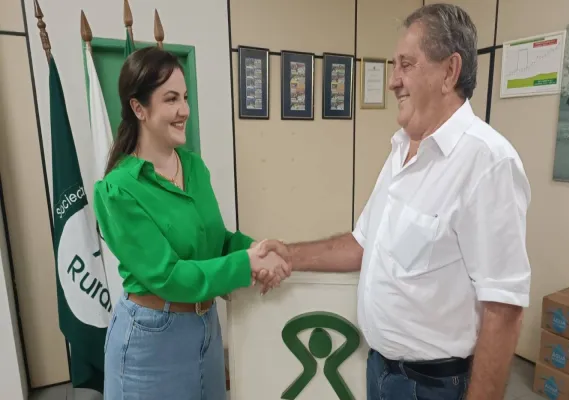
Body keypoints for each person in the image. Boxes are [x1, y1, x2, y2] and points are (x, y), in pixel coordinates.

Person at [257, 4, 531, 400]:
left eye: (406, 65)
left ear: (449, 71)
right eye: (393, 66)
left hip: (433, 386)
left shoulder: (488, 163)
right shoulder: (403, 150)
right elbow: (363, 243)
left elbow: (503, 308)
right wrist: (291, 254)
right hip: (381, 372)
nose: (392, 82)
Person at [93, 47, 289, 400]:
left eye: (185, 97)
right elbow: (167, 275)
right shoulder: (118, 190)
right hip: (151, 342)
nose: (184, 109)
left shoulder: (194, 167)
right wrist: (246, 264)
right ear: (139, 108)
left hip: (205, 328)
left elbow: (215, 240)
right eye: (171, 99)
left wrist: (257, 250)